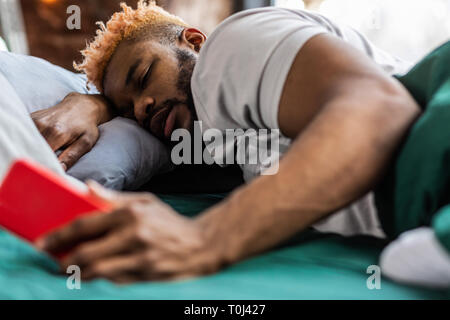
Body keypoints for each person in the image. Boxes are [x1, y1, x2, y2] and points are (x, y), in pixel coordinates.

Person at [31, 1, 449, 285]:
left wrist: (204, 239)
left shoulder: (226, 49)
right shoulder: (223, 143)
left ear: (193, 41)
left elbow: (378, 110)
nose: (142, 107)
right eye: (128, 110)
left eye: (142, 77)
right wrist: (92, 106)